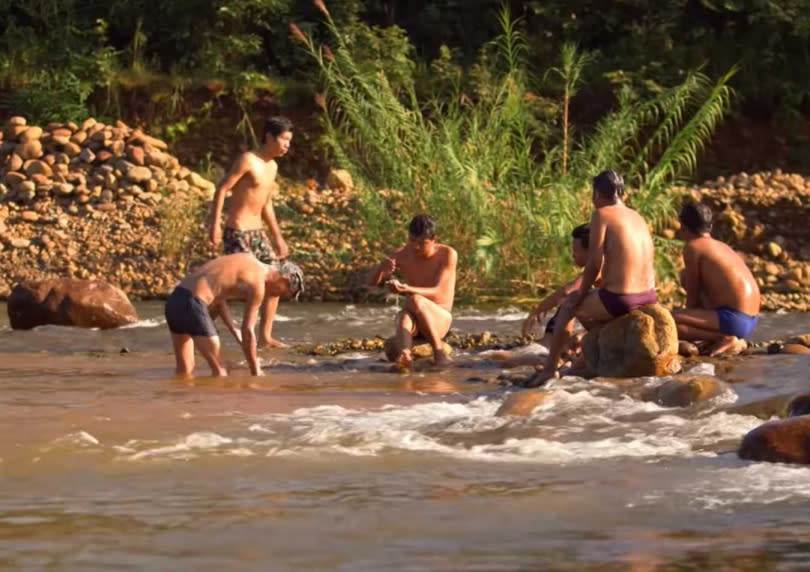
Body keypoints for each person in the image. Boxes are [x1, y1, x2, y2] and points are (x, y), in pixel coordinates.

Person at [527, 170, 657, 387]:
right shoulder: (637, 216)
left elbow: (594, 264)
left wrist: (579, 296)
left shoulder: (602, 214)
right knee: (588, 305)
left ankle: (550, 369)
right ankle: (590, 355)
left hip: (621, 298)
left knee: (569, 306)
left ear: (597, 193)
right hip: (649, 296)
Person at [209, 116, 294, 348]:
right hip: (237, 231)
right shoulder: (248, 160)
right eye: (284, 139)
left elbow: (266, 204)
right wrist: (214, 224)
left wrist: (278, 238)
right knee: (240, 286)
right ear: (269, 137)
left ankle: (265, 336)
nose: (287, 145)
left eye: (289, 141)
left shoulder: (273, 166)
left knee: (277, 281)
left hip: (258, 234)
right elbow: (222, 188)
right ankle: (204, 316)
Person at [164, 253, 304, 378]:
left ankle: (181, 405)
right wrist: (256, 370)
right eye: (282, 293)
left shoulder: (246, 259)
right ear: (285, 279)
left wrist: (235, 331)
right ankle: (215, 407)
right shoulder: (258, 285)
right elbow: (248, 331)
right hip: (193, 304)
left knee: (184, 372)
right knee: (221, 370)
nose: (275, 296)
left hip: (175, 300)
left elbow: (219, 298)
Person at [370, 214, 458, 370]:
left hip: (439, 318)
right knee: (404, 314)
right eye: (412, 241)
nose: (415, 247)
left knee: (415, 299)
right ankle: (405, 355)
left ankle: (439, 353)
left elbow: (439, 292)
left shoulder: (447, 254)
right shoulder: (401, 255)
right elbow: (371, 285)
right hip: (414, 318)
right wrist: (381, 271)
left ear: (433, 240)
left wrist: (406, 289)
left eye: (422, 243)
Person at [672, 201, 760, 355]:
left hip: (733, 319)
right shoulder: (721, 246)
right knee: (679, 327)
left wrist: (681, 315)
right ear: (710, 227)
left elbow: (692, 301)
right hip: (751, 319)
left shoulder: (693, 247)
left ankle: (723, 338)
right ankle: (722, 337)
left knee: (669, 321)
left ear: (683, 228)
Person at [521, 223, 597, 348]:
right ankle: (563, 341)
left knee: (572, 299)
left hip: (617, 317)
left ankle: (554, 346)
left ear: (591, 252)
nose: (573, 256)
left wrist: (536, 311)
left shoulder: (598, 264)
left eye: (576, 253)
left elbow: (567, 292)